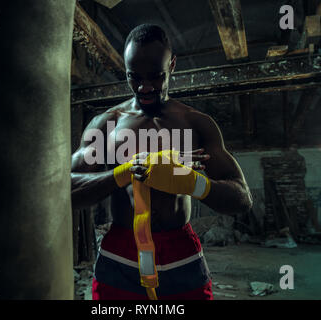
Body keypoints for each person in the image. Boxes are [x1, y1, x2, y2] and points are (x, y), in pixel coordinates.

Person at [71, 24, 252, 300]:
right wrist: (123, 173)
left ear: (173, 65)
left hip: (179, 251)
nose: (144, 87)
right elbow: (66, 189)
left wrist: (195, 184)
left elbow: (243, 199)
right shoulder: (108, 124)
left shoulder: (195, 124)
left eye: (156, 76)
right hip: (120, 251)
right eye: (134, 77)